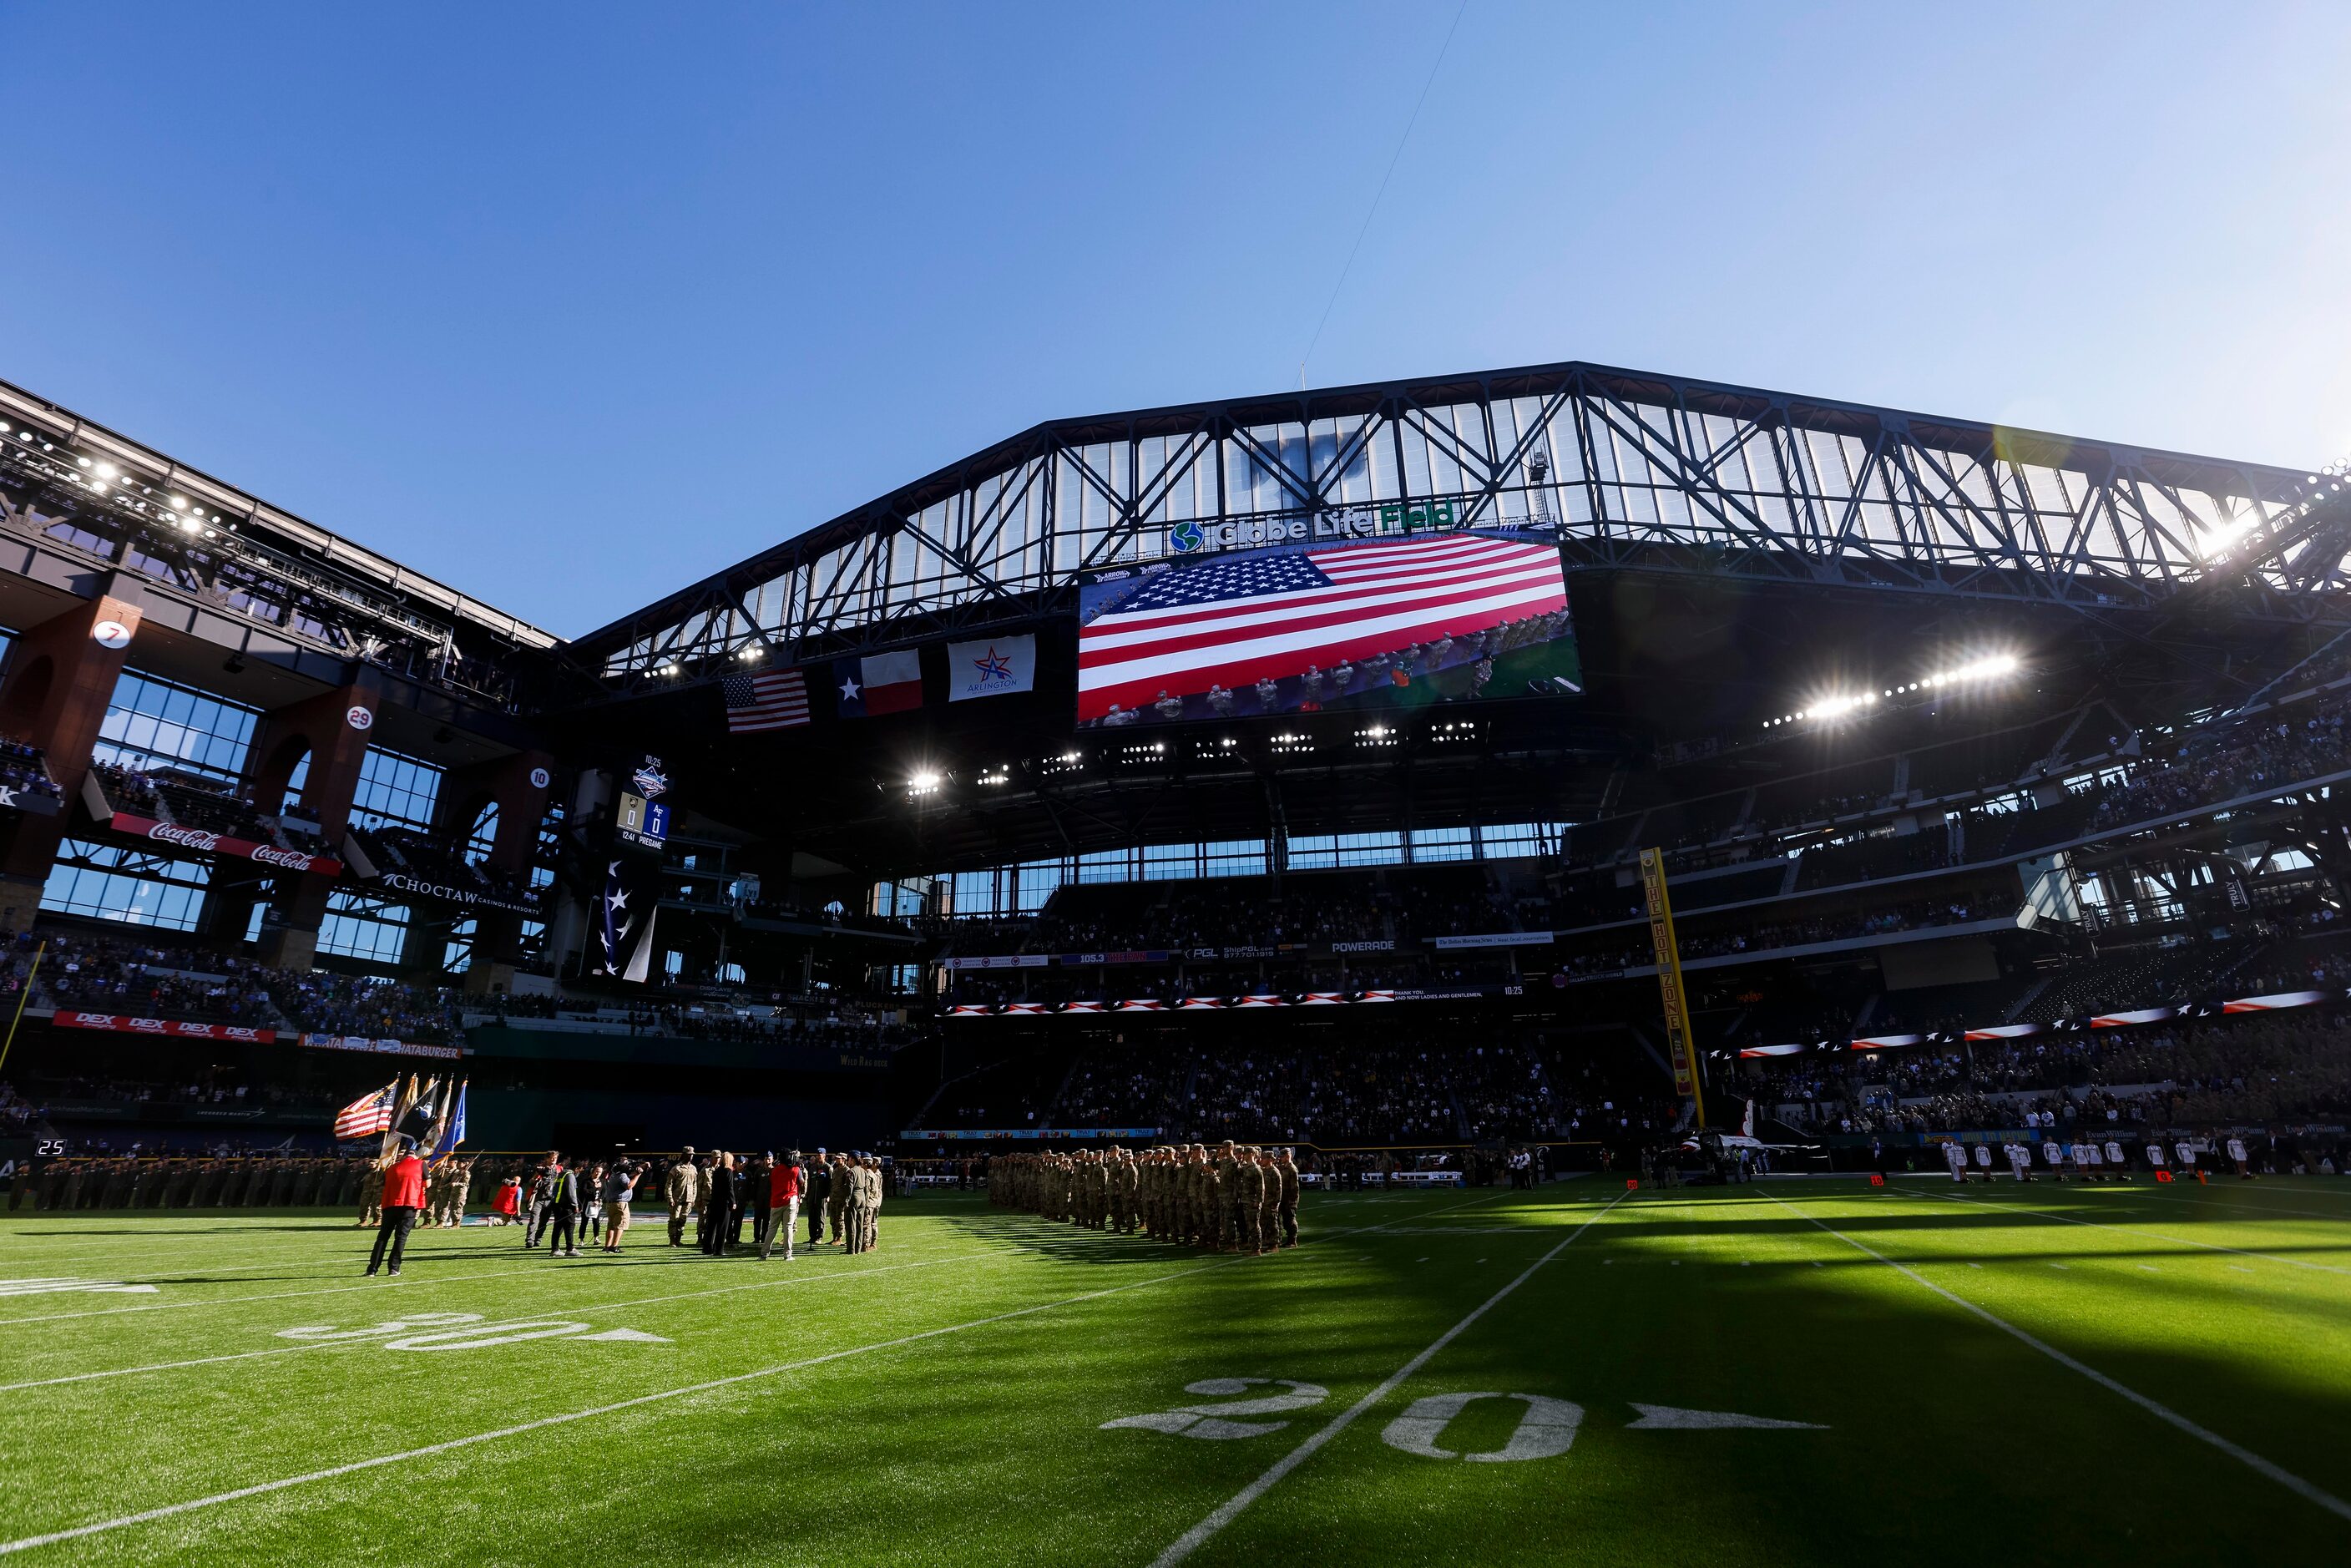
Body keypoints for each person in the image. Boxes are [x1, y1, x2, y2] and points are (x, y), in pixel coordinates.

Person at [365, 1136, 427, 1277]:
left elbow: (382, 1184)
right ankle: (393, 1268)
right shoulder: (420, 1164)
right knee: (400, 1238)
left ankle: (372, 1269)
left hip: (390, 1205)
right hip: (408, 1205)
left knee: (382, 1237)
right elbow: (428, 1184)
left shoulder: (391, 1167)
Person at [761, 1151, 801, 1261]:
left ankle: (764, 1253)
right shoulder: (795, 1169)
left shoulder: (775, 1170)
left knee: (772, 1228)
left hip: (776, 1201)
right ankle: (787, 1254)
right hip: (790, 1200)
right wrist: (797, 1162)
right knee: (788, 1227)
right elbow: (801, 1181)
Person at [540, 1153, 581, 1258]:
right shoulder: (570, 1175)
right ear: (576, 1168)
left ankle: (555, 1249)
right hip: (566, 1206)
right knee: (570, 1227)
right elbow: (571, 1192)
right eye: (580, 1170)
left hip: (557, 1204)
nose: (579, 1172)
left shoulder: (562, 1173)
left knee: (558, 1227)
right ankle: (570, 1248)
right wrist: (575, 1205)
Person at [665, 1148, 701, 1247]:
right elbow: (669, 1185)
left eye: (692, 1155)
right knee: (674, 1219)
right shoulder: (676, 1168)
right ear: (684, 1155)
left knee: (683, 1220)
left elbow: (695, 1185)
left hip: (688, 1199)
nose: (691, 1156)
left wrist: (693, 1198)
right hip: (677, 1198)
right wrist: (670, 1198)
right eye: (689, 1154)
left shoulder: (693, 1169)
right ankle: (672, 1240)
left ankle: (679, 1239)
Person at [602, 1161, 638, 1253]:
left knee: (610, 1226)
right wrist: (638, 1175)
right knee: (620, 1225)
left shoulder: (613, 1175)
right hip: (620, 1204)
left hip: (611, 1204)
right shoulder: (622, 1175)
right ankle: (614, 1246)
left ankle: (607, 1246)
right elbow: (629, 1186)